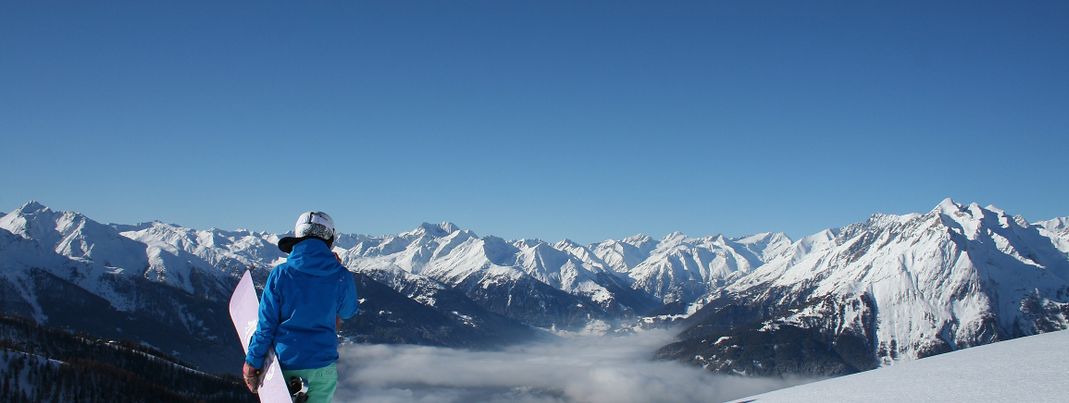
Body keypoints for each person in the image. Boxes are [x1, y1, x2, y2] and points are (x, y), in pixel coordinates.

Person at [243, 211, 358, 403]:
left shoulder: (280, 274)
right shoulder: (341, 276)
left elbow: (266, 326)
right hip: (323, 369)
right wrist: (338, 273)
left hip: (285, 367)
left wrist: (252, 362)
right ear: (330, 239)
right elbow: (348, 311)